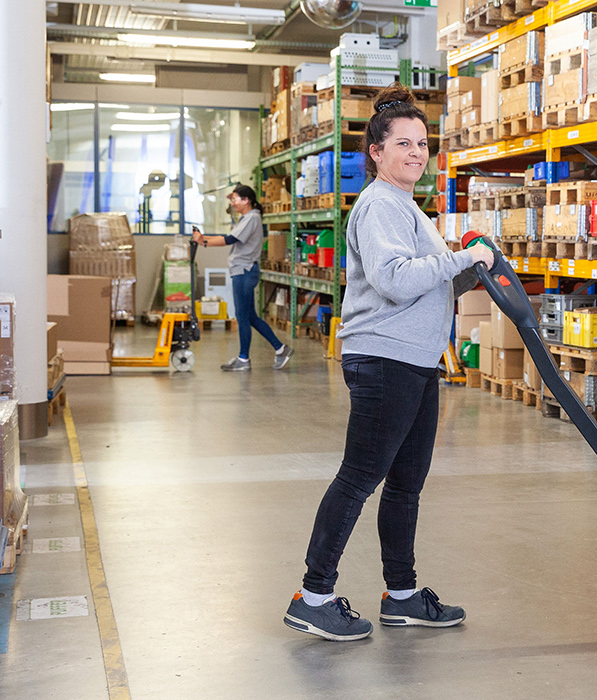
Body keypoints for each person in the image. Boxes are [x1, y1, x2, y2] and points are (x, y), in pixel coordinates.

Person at [283, 84, 495, 642]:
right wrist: (459, 258)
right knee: (359, 478)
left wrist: (474, 267)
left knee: (405, 485)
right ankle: (314, 594)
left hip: (416, 363)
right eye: (404, 143)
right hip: (384, 360)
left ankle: (401, 594)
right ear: (375, 151)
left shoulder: (410, 209)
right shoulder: (379, 205)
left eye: (423, 144)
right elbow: (396, 281)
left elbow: (433, 282)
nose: (417, 153)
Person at [193, 185, 293, 371]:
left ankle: (244, 359)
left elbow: (230, 239)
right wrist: (203, 238)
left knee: (242, 315)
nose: (233, 203)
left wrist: (203, 241)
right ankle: (280, 349)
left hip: (244, 271)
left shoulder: (252, 218)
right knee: (250, 316)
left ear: (246, 200)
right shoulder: (247, 218)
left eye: (235, 199)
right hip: (243, 270)